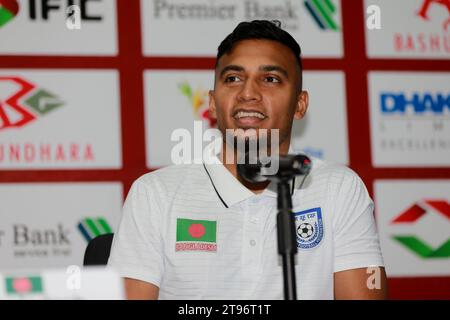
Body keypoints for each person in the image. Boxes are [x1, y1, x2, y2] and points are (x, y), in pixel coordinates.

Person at [108, 20, 387, 300]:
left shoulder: (339, 189)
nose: (248, 93)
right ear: (214, 102)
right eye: (233, 78)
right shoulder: (155, 194)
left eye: (270, 79)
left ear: (300, 104)